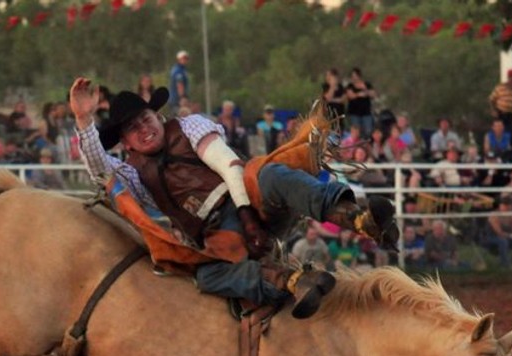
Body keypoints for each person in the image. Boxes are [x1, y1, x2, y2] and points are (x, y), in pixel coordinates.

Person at [69, 78, 397, 319]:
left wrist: (247, 217)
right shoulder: (134, 174)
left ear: (158, 116)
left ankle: (354, 216)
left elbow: (229, 166)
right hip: (219, 238)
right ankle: (292, 281)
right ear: (126, 142)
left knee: (269, 174)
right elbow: (100, 169)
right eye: (132, 128)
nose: (143, 129)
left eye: (145, 119)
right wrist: (84, 121)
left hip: (249, 201)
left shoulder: (189, 127)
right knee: (208, 276)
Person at [344, 67, 376, 136]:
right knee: (356, 132)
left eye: (355, 76)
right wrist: (359, 94)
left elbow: (373, 94)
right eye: (352, 76)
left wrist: (365, 90)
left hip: (366, 113)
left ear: (359, 76)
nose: (354, 78)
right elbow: (350, 96)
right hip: (354, 113)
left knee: (368, 131)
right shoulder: (350, 86)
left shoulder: (367, 85)